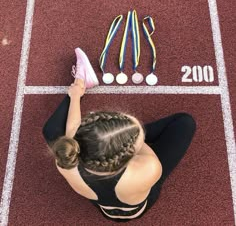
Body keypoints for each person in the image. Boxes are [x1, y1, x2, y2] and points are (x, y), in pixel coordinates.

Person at [42, 47, 196, 222]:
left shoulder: (65, 159)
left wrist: (75, 95)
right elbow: (139, 147)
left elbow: (73, 128)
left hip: (103, 204)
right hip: (136, 207)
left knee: (51, 132)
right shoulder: (148, 168)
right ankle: (124, 135)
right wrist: (134, 137)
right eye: (136, 136)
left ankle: (83, 83)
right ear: (129, 155)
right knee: (185, 122)